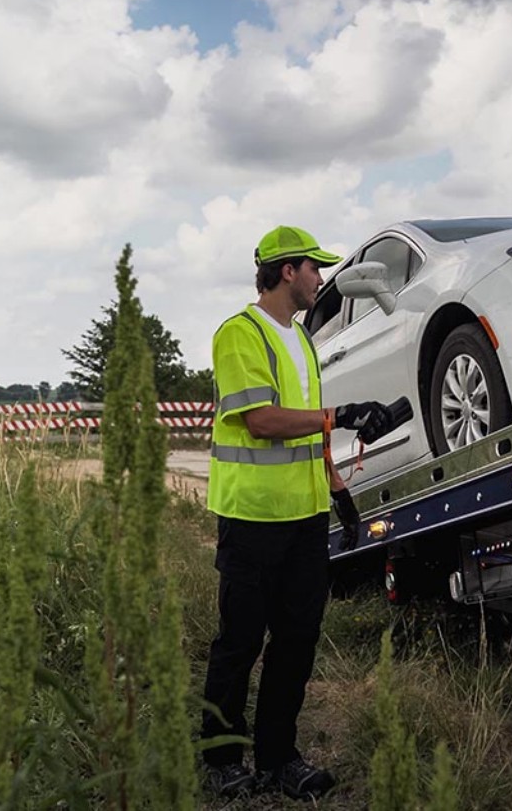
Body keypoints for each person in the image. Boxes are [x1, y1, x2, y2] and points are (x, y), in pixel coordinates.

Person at [201, 225, 394, 800]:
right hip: (254, 517)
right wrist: (344, 414)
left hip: (306, 518)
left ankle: (279, 757)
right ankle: (221, 759)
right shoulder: (240, 335)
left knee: (295, 642)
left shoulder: (302, 341)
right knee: (240, 642)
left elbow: (310, 433)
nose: (321, 279)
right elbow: (260, 420)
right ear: (287, 271)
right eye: (314, 268)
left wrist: (338, 492)